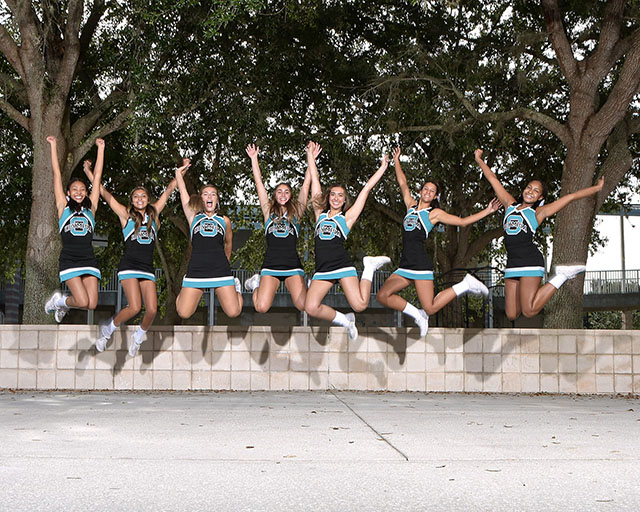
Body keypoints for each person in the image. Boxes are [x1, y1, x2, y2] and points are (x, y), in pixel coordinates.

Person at [377, 147, 501, 336]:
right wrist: (397, 161)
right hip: (405, 264)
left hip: (420, 263)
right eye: (425, 189)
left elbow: (461, 222)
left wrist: (487, 211)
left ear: (435, 196)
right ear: (421, 191)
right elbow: (402, 183)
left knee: (432, 307)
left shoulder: (434, 214)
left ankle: (465, 285)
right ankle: (417, 314)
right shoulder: (410, 206)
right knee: (383, 295)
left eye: (432, 191)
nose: (427, 192)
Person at [475, 148, 604, 320]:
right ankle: (532, 294)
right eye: (529, 187)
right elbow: (492, 179)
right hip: (512, 262)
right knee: (512, 314)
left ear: (540, 197)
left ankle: (561, 276)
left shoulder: (539, 213)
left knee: (529, 311)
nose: (530, 191)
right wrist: (478, 159)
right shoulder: (509, 205)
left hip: (530, 260)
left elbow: (570, 197)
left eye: (536, 191)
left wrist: (597, 188)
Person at [87, 159, 191, 356]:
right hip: (129, 266)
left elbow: (169, 190)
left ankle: (137, 337)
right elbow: (104, 194)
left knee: (152, 309)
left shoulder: (154, 214)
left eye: (143, 196)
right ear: (132, 201)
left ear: (148, 199)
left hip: (147, 268)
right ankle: (108, 330)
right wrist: (89, 172)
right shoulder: (125, 215)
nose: (140, 199)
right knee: (135, 307)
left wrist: (182, 171)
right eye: (136, 197)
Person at [304, 141, 391, 340]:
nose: (335, 198)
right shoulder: (320, 214)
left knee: (360, 305)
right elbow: (315, 179)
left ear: (344, 200)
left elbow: (366, 190)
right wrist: (310, 156)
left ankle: (369, 267)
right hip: (323, 269)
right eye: (333, 194)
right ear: (328, 197)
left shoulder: (346, 218)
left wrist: (383, 168)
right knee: (311, 307)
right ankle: (345, 320)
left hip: (341, 265)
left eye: (340, 196)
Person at [243, 144, 312, 314]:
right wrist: (254, 159)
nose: (282, 194)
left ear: (290, 196)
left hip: (292, 265)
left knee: (304, 306)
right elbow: (259, 183)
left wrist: (311, 158)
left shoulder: (296, 213)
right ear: (274, 195)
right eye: (279, 191)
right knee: (261, 307)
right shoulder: (268, 212)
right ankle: (256, 284)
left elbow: (306, 186)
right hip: (271, 264)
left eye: (286, 191)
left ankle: (310, 285)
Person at [45, 136, 105, 322]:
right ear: (69, 192)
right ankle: (60, 301)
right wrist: (53, 146)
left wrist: (101, 149)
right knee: (81, 299)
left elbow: (97, 178)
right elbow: (56, 173)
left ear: (86, 192)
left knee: (92, 304)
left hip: (88, 258)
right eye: (75, 190)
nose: (79, 192)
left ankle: (63, 303)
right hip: (70, 259)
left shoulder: (91, 209)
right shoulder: (63, 207)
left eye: (82, 189)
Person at [174, 166, 243, 320]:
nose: (209, 196)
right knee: (183, 313)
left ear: (217, 199)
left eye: (213, 194)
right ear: (201, 199)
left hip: (220, 269)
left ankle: (236, 287)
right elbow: (183, 193)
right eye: (205, 194)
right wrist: (179, 174)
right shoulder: (193, 217)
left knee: (234, 312)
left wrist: (225, 264)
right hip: (196, 270)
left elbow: (228, 244)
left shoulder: (224, 221)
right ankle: (185, 286)